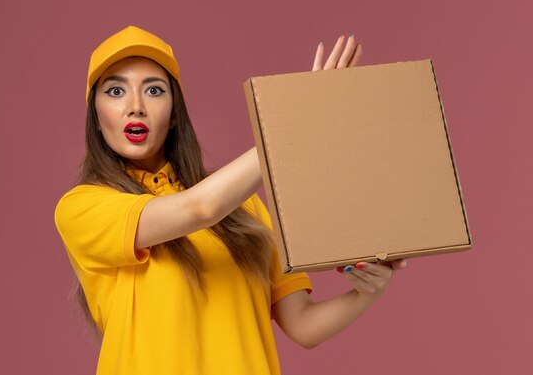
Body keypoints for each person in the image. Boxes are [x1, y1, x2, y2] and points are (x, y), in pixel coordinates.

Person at [53, 25, 407, 375]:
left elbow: (303, 326)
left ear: (175, 114)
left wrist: (369, 292)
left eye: (154, 90)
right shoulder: (82, 208)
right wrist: (295, 122)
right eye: (115, 91)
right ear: (96, 120)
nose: (135, 107)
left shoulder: (245, 206)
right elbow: (200, 208)